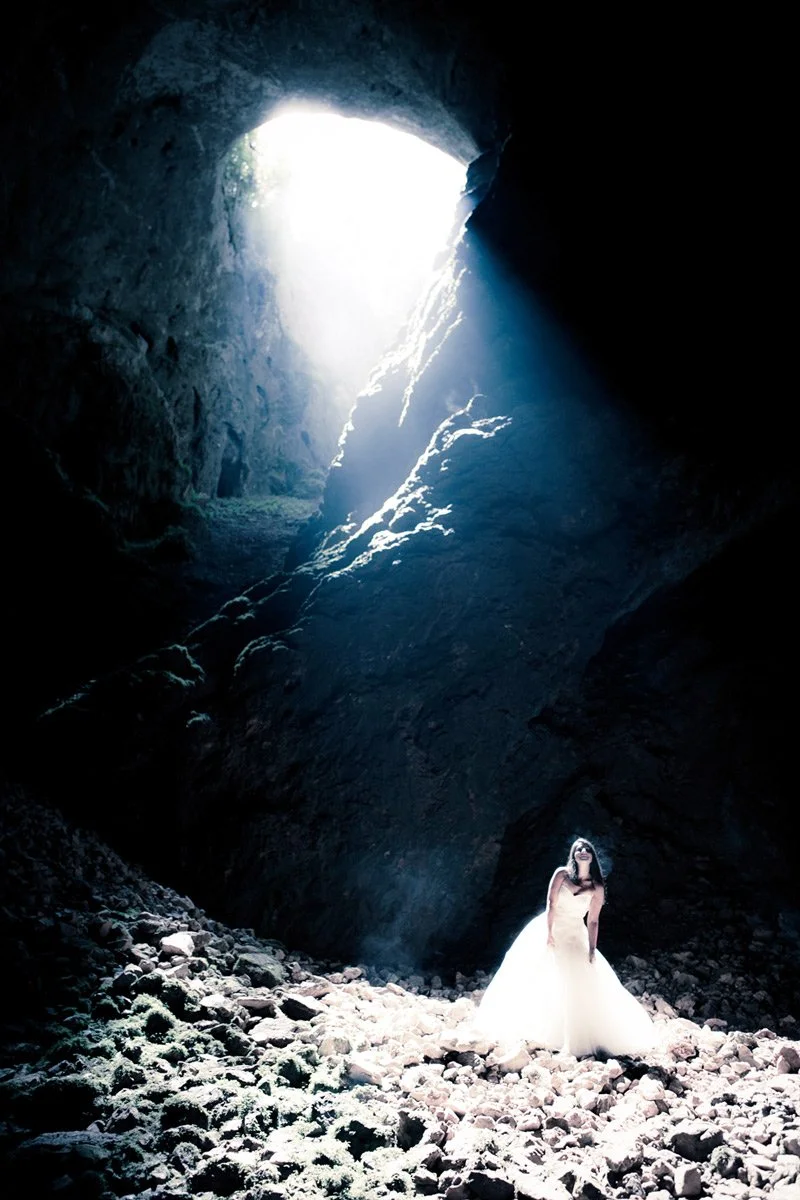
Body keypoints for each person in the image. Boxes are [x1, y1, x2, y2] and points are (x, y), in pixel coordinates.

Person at [474, 838, 655, 1058]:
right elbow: (551, 903)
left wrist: (591, 948)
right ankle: (529, 1027)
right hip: (552, 928)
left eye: (587, 849)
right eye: (578, 849)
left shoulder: (597, 887)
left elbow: (594, 920)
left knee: (575, 982)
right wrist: (548, 932)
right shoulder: (561, 874)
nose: (583, 851)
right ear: (573, 855)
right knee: (536, 974)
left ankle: (575, 1038)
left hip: (575, 934)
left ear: (592, 856)